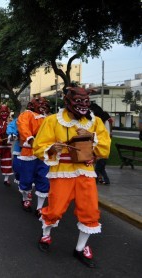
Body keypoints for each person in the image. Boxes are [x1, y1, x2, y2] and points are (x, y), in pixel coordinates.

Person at [33, 86, 111, 268]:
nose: (83, 105)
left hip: (85, 171)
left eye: (86, 101)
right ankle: (46, 234)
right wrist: (52, 148)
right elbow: (39, 146)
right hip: (62, 171)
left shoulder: (95, 122)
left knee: (90, 211)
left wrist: (91, 138)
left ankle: (80, 247)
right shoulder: (53, 121)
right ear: (68, 102)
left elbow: (105, 148)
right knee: (55, 209)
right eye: (78, 101)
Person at [17, 97, 50, 215]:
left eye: (45, 105)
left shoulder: (49, 118)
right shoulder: (27, 114)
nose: (43, 106)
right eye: (40, 104)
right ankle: (26, 198)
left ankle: (40, 207)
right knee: (26, 179)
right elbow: (23, 126)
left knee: (44, 179)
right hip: (28, 153)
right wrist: (31, 139)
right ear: (33, 105)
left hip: (44, 154)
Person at [89, 102, 112, 185]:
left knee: (99, 166)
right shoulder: (97, 119)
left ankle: (97, 179)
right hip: (97, 143)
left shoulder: (101, 120)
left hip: (102, 144)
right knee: (100, 167)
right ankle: (101, 178)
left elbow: (106, 134)